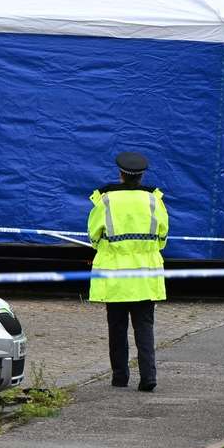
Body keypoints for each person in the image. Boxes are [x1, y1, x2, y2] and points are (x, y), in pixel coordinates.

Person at [87, 151, 168, 392]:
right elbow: (162, 237)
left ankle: (120, 377)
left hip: (115, 276)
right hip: (146, 275)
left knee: (117, 328)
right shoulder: (154, 200)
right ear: (141, 176)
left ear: (120, 174)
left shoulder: (106, 200)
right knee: (145, 328)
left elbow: (94, 236)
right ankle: (148, 377)